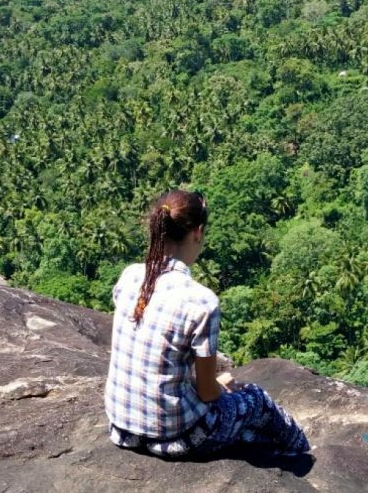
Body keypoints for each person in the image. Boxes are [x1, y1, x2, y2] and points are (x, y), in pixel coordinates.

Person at [104, 189, 310, 459]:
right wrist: (221, 386)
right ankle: (303, 453)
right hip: (179, 435)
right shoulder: (200, 301)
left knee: (239, 415)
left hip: (122, 428)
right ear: (198, 232)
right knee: (258, 400)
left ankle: (255, 441)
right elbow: (207, 393)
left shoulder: (130, 276)